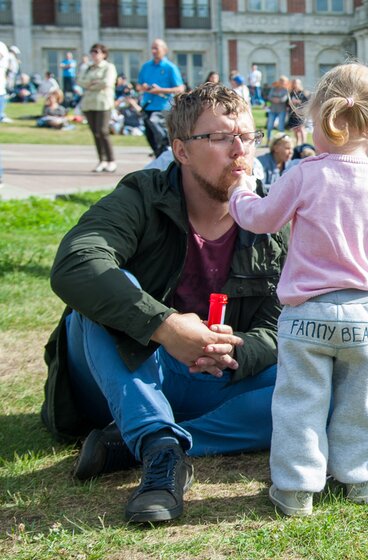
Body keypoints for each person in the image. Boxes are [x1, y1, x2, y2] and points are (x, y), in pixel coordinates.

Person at [43, 83, 286, 523]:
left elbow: (282, 321)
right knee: (109, 292)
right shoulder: (141, 196)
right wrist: (166, 326)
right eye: (219, 138)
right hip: (124, 373)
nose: (239, 150)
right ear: (181, 150)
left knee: (320, 387)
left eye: (248, 137)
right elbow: (77, 262)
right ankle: (159, 455)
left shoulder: (271, 216)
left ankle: (147, 442)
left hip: (215, 378)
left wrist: (237, 349)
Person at [228, 63, 368, 517]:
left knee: (300, 401)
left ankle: (296, 488)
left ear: (315, 115)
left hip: (307, 312)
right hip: (366, 313)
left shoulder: (302, 173)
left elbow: (260, 219)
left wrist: (241, 189)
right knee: (364, 399)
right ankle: (360, 479)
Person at [137, 39, 186, 158]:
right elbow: (138, 85)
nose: (154, 51)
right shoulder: (146, 66)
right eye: (152, 48)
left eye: (156, 48)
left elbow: (180, 88)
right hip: (148, 105)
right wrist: (144, 87)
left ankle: (166, 154)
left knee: (160, 132)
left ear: (164, 50)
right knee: (150, 134)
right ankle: (158, 155)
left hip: (163, 106)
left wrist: (160, 90)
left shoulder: (170, 67)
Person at [79, 43, 118, 173]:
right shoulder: (88, 68)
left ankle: (111, 160)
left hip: (103, 103)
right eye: (92, 52)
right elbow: (80, 81)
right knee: (95, 133)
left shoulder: (109, 67)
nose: (94, 54)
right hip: (89, 103)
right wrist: (94, 84)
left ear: (104, 54)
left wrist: (92, 85)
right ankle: (102, 160)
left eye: (97, 51)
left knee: (103, 131)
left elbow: (107, 82)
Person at [266, 75, 290, 145]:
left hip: (281, 110)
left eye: (283, 81)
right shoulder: (274, 88)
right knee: (269, 126)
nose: (282, 82)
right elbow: (269, 97)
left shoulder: (286, 90)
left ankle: (282, 141)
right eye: (281, 81)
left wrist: (276, 99)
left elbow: (284, 99)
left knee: (280, 127)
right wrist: (276, 99)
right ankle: (268, 141)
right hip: (273, 110)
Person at [287, 79, 308, 145]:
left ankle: (304, 142)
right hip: (293, 113)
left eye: (296, 83)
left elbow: (306, 102)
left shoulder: (302, 92)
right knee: (295, 129)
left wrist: (298, 102)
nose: (295, 84)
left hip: (300, 113)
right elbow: (287, 102)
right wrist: (290, 102)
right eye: (294, 83)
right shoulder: (291, 93)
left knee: (301, 128)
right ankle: (298, 142)